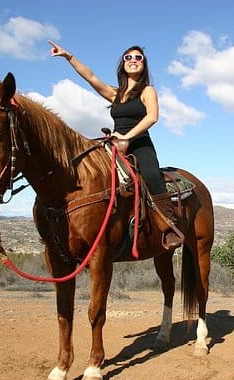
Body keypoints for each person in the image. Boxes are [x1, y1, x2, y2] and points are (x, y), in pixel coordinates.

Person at [48, 40, 182, 249]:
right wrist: (68, 57)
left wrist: (127, 137)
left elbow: (152, 117)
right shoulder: (115, 94)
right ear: (123, 64)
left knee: (151, 175)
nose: (133, 60)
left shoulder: (147, 91)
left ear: (144, 64)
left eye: (138, 57)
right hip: (114, 143)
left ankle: (168, 225)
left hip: (139, 143)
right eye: (128, 57)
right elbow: (91, 77)